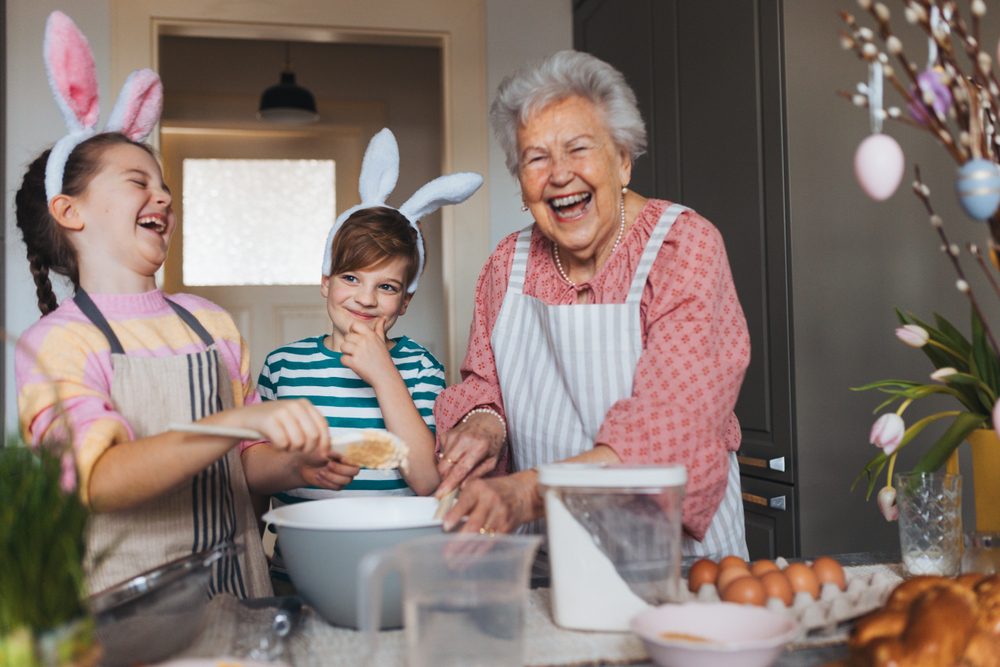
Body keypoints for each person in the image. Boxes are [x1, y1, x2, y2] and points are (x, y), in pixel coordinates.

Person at [14, 11, 330, 598]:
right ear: (69, 211)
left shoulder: (208, 322)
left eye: (163, 185)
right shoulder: (59, 342)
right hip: (128, 622)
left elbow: (245, 463)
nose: (161, 194)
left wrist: (292, 467)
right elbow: (98, 480)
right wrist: (232, 422)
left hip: (240, 597)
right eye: (137, 181)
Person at [433, 50, 751, 559]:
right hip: (549, 552)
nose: (558, 175)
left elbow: (670, 426)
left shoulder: (683, 247)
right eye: (536, 158)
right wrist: (483, 424)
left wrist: (524, 492)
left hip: (670, 557)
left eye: (577, 149)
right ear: (521, 184)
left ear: (622, 160)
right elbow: (483, 383)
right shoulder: (506, 265)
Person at [242, 128, 481, 586]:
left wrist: (384, 375)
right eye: (351, 278)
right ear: (325, 283)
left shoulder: (419, 367)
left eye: (386, 287)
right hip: (300, 573)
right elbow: (254, 475)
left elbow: (428, 481)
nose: (365, 299)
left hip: (399, 572)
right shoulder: (283, 366)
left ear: (404, 302)